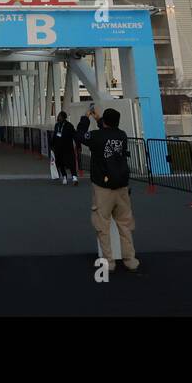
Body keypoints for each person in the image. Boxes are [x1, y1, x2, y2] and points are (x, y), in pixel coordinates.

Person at [84, 108, 139, 272]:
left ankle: (109, 262)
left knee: (103, 225)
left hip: (103, 187)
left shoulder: (96, 136)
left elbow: (79, 134)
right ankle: (131, 260)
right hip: (122, 186)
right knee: (125, 225)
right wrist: (100, 120)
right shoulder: (122, 135)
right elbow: (108, 133)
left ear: (105, 121)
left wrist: (86, 118)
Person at [50, 110, 77, 185]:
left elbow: (74, 135)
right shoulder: (57, 125)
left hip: (68, 148)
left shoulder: (69, 125)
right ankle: (64, 177)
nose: (59, 117)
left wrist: (78, 145)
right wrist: (52, 145)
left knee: (71, 163)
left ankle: (74, 177)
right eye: (59, 116)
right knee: (60, 163)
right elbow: (54, 136)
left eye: (60, 116)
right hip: (58, 148)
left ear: (64, 117)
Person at [73, 110, 91, 176]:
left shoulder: (79, 128)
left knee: (78, 157)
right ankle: (80, 170)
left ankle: (79, 170)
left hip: (78, 140)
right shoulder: (81, 130)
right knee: (78, 157)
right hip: (79, 140)